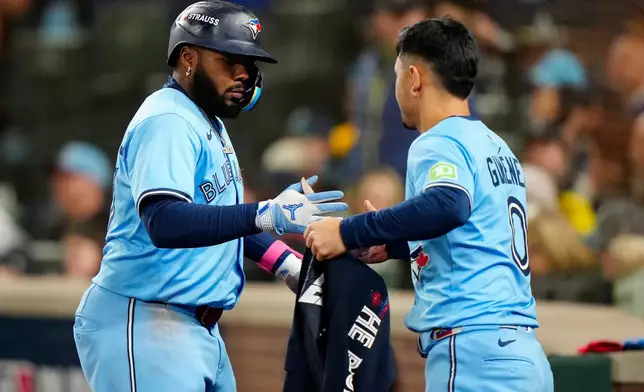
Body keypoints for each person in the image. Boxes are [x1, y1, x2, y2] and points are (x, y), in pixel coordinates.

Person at [72, 2, 347, 392]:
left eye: (249, 64)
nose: (243, 74)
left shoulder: (204, 118)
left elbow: (220, 219)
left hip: (193, 328)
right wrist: (265, 212)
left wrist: (285, 262)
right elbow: (165, 221)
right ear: (188, 58)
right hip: (146, 319)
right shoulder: (168, 120)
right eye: (229, 60)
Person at [304, 18, 553, 392]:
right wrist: (395, 244)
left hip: (473, 351)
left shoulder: (437, 140)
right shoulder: (496, 145)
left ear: (415, 78)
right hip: (523, 356)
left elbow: (449, 205)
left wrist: (346, 230)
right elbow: (474, 233)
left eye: (397, 75)